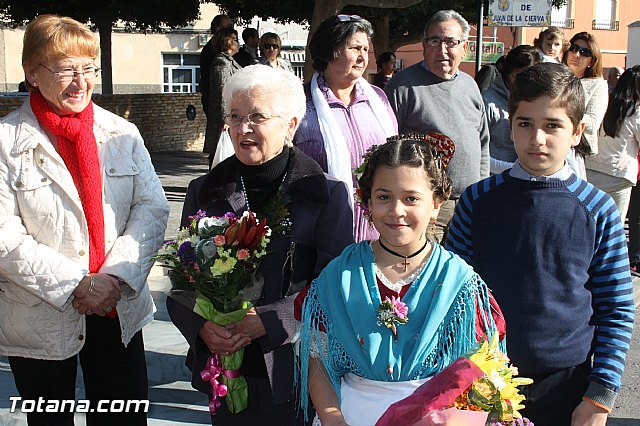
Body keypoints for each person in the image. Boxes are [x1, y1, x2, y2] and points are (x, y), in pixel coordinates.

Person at [0, 15, 170, 426]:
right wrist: (78, 284)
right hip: (40, 317)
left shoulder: (121, 133)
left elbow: (152, 208)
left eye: (88, 68)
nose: (80, 82)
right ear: (32, 73)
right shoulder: (6, 142)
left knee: (122, 416)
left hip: (117, 309)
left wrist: (115, 277)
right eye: (65, 70)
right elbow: (4, 236)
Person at [445, 63, 635, 426]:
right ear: (510, 125)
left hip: (567, 386)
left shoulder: (597, 209)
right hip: (483, 379)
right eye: (525, 124)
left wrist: (599, 397)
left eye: (553, 125)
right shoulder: (478, 200)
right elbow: (454, 296)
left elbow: (617, 309)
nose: (537, 139)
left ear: (578, 131)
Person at [167, 64, 355, 425]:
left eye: (256, 117)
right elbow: (181, 282)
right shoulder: (204, 190)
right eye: (235, 117)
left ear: (291, 124)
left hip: (295, 371)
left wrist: (269, 320)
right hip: (224, 370)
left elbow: (335, 287)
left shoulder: (325, 194)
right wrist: (202, 330)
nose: (243, 128)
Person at [297, 134, 504, 426]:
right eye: (384, 197)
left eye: (411, 198)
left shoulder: (460, 281)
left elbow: (482, 368)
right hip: (351, 416)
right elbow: (316, 356)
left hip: (436, 418)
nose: (396, 211)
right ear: (366, 201)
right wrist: (333, 418)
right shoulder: (339, 276)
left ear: (436, 203)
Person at [384, 9, 490, 242]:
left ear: (464, 46)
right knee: (427, 273)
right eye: (434, 41)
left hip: (469, 204)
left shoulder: (469, 85)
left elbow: (482, 144)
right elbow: (386, 146)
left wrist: (482, 192)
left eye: (451, 42)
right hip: (429, 207)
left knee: (463, 273)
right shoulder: (403, 87)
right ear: (424, 45)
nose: (442, 49)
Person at [293, 15, 398, 242]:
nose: (362, 57)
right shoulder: (300, 103)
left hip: (377, 232)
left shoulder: (378, 100)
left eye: (365, 49)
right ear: (331, 50)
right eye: (355, 48)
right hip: (319, 232)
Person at [585, 66, 640, 218]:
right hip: (618, 174)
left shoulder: (605, 103)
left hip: (590, 169)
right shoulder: (635, 111)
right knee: (614, 227)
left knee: (590, 223)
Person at [482, 45, 542, 174]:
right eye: (519, 76)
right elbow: (478, 153)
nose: (526, 82)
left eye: (532, 77)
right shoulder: (488, 102)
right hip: (496, 179)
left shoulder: (538, 101)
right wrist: (513, 169)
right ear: (508, 72)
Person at [563, 32, 608, 168]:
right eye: (574, 48)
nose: (577, 55)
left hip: (576, 151)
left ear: (592, 61)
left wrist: (562, 112)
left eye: (585, 52)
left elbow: (593, 123)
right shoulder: (556, 77)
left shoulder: (597, 85)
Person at [202, 28, 242, 167]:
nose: (238, 43)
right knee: (220, 158)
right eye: (236, 40)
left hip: (230, 118)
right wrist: (226, 117)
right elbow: (222, 92)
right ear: (228, 42)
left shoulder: (229, 61)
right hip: (224, 121)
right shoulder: (221, 62)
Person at [199, 14, 233, 115]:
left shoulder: (219, 49)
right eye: (229, 27)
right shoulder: (214, 51)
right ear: (219, 28)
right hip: (217, 104)